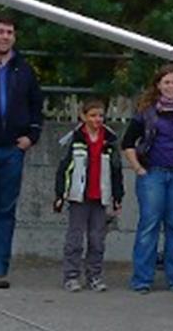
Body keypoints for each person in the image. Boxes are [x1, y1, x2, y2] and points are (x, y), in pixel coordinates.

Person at [0, 13, 44, 289]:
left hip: (12, 150)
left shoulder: (23, 69)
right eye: (0, 31)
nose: (5, 36)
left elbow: (36, 104)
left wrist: (32, 135)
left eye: (10, 32)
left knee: (5, 210)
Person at [122, 64, 173, 293]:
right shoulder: (147, 110)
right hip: (153, 174)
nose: (171, 86)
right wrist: (138, 169)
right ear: (158, 85)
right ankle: (142, 279)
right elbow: (127, 143)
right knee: (149, 224)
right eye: (166, 82)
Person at [52, 98, 124, 292]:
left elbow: (116, 170)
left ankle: (95, 276)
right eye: (92, 115)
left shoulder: (110, 139)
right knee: (75, 238)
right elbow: (64, 168)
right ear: (83, 116)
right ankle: (71, 276)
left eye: (100, 115)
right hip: (79, 196)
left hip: (101, 196)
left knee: (97, 239)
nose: (97, 119)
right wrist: (60, 194)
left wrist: (118, 197)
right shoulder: (74, 138)